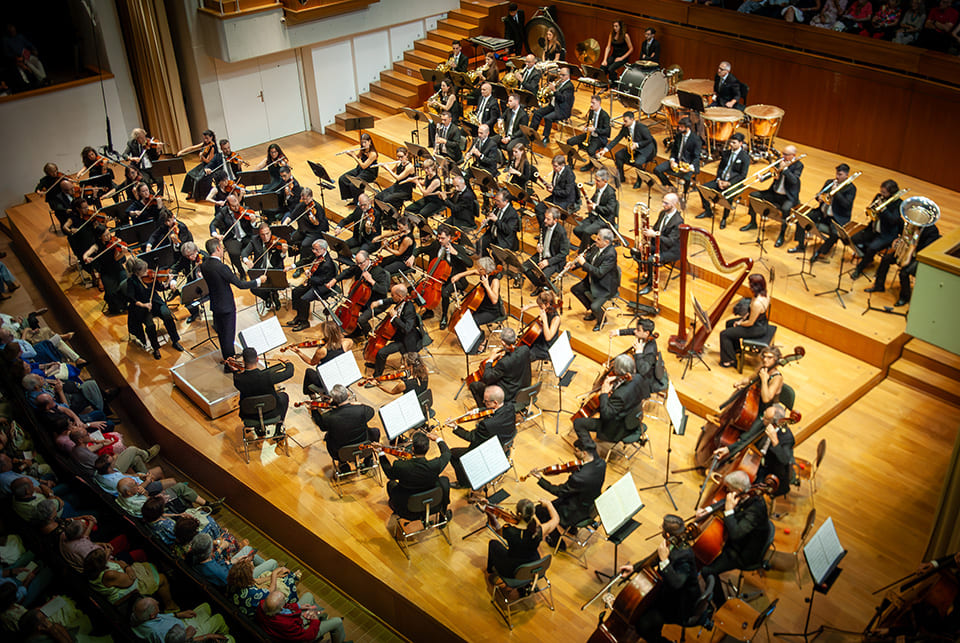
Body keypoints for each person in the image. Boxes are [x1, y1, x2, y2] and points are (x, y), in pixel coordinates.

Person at [614, 514, 701, 643]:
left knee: (643, 626)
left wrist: (664, 561)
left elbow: (676, 584)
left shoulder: (685, 556)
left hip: (680, 604)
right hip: (669, 594)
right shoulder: (674, 542)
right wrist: (634, 568)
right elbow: (655, 557)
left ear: (667, 534)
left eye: (662, 527)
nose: (660, 527)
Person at [697, 470, 771, 584]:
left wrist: (729, 511)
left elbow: (736, 534)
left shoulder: (756, 510)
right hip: (738, 538)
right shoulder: (745, 492)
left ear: (739, 491)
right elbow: (727, 499)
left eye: (729, 489)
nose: (727, 491)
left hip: (742, 552)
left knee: (708, 571)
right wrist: (708, 510)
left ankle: (719, 601)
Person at [200, 239, 266, 365]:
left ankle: (227, 358)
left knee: (222, 335)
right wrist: (258, 281)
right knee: (228, 337)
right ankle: (231, 363)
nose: (223, 250)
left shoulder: (204, 265)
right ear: (218, 249)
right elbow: (240, 284)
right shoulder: (222, 267)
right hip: (226, 307)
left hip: (215, 305)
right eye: (222, 248)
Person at [532, 438, 606, 548]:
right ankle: (572, 529)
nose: (573, 452)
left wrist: (540, 479)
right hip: (591, 504)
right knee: (558, 502)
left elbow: (559, 491)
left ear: (584, 453)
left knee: (540, 510)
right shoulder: (601, 463)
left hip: (576, 511)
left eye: (576, 450)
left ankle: (557, 542)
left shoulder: (579, 478)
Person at [450, 385, 517, 488]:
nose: (484, 403)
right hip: (504, 447)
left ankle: (464, 484)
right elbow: (492, 411)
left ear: (495, 403)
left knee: (452, 454)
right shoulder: (510, 407)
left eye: (486, 401)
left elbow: (471, 436)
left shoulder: (487, 425)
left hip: (490, 452)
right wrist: (478, 410)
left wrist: (455, 427)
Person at [573, 354, 646, 444]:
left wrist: (604, 393)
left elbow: (606, 415)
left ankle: (589, 451)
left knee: (578, 423)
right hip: (633, 420)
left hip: (616, 430)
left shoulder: (620, 395)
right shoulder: (639, 378)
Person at [865, 222, 941, 307]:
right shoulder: (911, 224)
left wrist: (912, 246)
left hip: (918, 257)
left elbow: (927, 249)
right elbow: (904, 237)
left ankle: (905, 297)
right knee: (886, 259)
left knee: (904, 273)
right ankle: (879, 285)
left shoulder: (932, 230)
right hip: (907, 252)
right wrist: (898, 242)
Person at [486, 498, 559, 580]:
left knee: (493, 543)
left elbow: (497, 528)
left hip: (513, 570)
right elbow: (556, 519)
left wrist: (490, 514)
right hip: (533, 565)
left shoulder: (510, 531)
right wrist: (549, 504)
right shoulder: (539, 531)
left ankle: (490, 570)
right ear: (533, 513)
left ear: (519, 514)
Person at [381, 430, 450, 516]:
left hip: (408, 511)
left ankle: (397, 508)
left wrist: (381, 453)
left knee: (391, 484)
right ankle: (443, 514)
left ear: (413, 448)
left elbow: (389, 474)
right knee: (444, 480)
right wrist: (437, 439)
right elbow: (447, 453)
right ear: (428, 448)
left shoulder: (400, 466)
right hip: (433, 505)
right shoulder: (435, 465)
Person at [125, 258, 184, 359]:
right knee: (150, 325)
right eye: (144, 270)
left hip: (156, 302)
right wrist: (144, 305)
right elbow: (132, 299)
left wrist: (168, 282)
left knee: (167, 315)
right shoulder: (131, 282)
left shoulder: (150, 277)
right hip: (143, 308)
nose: (147, 271)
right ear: (137, 273)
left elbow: (160, 288)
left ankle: (175, 340)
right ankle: (155, 348)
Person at [313, 384, 379, 472]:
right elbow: (371, 411)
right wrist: (359, 404)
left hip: (342, 453)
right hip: (364, 448)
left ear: (334, 400)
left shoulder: (328, 417)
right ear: (348, 395)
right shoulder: (361, 410)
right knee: (375, 432)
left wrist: (314, 410)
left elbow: (322, 426)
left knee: (328, 437)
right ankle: (368, 459)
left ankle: (343, 463)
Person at [743, 145, 803, 236]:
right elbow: (772, 171)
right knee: (753, 195)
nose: (783, 156)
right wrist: (762, 177)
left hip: (788, 196)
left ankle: (782, 234)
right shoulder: (780, 160)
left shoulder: (798, 165)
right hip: (774, 193)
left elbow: (794, 180)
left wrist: (785, 169)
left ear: (793, 155)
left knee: (785, 209)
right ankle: (753, 223)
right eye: (783, 153)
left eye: (786, 154)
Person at [233, 347, 294, 437]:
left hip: (249, 415)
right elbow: (289, 373)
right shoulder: (267, 376)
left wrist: (235, 368)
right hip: (272, 412)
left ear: (243, 361)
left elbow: (245, 376)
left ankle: (258, 427)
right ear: (257, 359)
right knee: (284, 396)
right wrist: (288, 362)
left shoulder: (238, 379)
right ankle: (278, 429)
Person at [365, 284, 423, 377]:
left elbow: (407, 329)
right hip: (398, 331)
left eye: (392, 295)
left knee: (381, 353)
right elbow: (390, 300)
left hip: (405, 339)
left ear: (399, 296)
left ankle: (377, 376)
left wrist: (395, 317)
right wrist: (378, 302)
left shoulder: (409, 309)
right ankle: (377, 362)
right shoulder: (401, 300)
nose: (391, 297)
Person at [850, 179, 904, 279]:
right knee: (853, 239)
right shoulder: (879, 197)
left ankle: (859, 269)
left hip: (886, 234)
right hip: (873, 229)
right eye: (881, 191)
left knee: (872, 248)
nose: (881, 194)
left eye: (884, 192)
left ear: (891, 193)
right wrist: (871, 208)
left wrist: (883, 209)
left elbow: (893, 220)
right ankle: (868, 258)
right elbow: (870, 211)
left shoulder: (898, 203)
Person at [801, 163, 857, 257]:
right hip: (823, 213)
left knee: (836, 234)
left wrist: (837, 192)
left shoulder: (851, 188)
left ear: (847, 175)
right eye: (837, 174)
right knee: (802, 218)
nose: (837, 177)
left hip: (837, 217)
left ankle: (820, 252)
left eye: (840, 175)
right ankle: (800, 245)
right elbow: (820, 194)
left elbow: (846, 205)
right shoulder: (829, 182)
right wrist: (818, 197)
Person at [330, 250, 390, 337]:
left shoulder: (379, 272)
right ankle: (355, 330)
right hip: (361, 299)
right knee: (346, 310)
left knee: (361, 319)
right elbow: (347, 272)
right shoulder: (359, 266)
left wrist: (371, 281)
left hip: (376, 302)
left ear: (368, 260)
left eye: (361, 263)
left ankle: (368, 334)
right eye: (357, 263)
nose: (359, 266)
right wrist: (335, 280)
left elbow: (383, 290)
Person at [570, 228, 620, 332]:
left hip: (605, 286)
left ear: (606, 242)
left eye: (598, 239)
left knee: (595, 306)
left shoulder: (611, 254)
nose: (595, 240)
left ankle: (602, 320)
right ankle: (593, 312)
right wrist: (575, 265)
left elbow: (599, 272)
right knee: (575, 289)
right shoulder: (596, 247)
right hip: (593, 280)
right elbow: (588, 259)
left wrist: (583, 263)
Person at [468, 327, 532, 407]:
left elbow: (487, 378)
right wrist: (506, 354)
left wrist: (490, 360)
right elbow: (515, 359)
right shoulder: (525, 349)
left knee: (474, 386)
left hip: (510, 396)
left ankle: (486, 411)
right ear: (515, 338)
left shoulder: (503, 363)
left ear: (503, 342)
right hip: (524, 391)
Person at [697, 132, 749, 228]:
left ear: (740, 143)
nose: (731, 144)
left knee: (728, 196)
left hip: (734, 184)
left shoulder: (745, 157)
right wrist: (719, 180)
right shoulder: (726, 153)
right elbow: (720, 168)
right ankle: (708, 211)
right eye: (730, 142)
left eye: (734, 143)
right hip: (721, 180)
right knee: (702, 188)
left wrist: (728, 183)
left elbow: (743, 175)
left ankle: (724, 218)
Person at [256, 589, 347, 643]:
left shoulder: (263, 604)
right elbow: (306, 637)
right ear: (280, 608)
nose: (286, 598)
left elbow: (284, 607)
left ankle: (318, 614)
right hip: (300, 633)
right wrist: (314, 621)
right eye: (284, 599)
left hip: (291, 621)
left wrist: (298, 606)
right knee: (337, 621)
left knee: (308, 596)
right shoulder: (287, 624)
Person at [719, 273, 770, 368]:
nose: (748, 285)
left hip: (756, 328)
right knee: (729, 323)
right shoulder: (765, 294)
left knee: (724, 334)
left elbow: (750, 323)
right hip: (761, 322)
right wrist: (741, 320)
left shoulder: (757, 303)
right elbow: (751, 314)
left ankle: (729, 360)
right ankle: (736, 349)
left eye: (750, 283)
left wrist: (739, 323)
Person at [428, 227, 475, 329]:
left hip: (456, 278)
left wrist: (456, 253)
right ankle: (428, 310)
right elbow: (422, 249)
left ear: (449, 238)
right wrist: (413, 255)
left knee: (444, 292)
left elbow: (470, 263)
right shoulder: (436, 244)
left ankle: (444, 316)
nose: (440, 240)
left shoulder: (458, 248)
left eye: (442, 238)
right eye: (438, 238)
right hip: (441, 276)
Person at [130, 596, 233, 643]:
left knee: (206, 607)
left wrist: (179, 614)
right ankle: (224, 635)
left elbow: (161, 617)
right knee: (218, 618)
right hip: (186, 636)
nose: (157, 602)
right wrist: (208, 636)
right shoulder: (158, 633)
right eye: (156, 604)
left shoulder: (138, 615)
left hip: (180, 626)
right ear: (152, 615)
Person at [293, 320, 354, 398]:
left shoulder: (322, 351)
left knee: (309, 372)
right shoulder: (347, 343)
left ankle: (311, 394)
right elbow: (344, 343)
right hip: (343, 378)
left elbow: (311, 362)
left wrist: (299, 352)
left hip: (329, 382)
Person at [639, 193, 683, 296]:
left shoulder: (678, 221)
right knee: (639, 250)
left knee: (651, 259)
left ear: (674, 204)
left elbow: (671, 241)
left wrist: (654, 235)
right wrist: (646, 238)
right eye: (663, 202)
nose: (663, 205)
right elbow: (656, 227)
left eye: (666, 203)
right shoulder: (663, 213)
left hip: (670, 250)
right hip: (660, 244)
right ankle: (646, 275)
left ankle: (650, 285)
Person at [288, 239, 336, 332]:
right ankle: (299, 316)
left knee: (304, 299)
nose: (313, 251)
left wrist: (309, 276)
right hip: (314, 281)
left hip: (323, 286)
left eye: (316, 250)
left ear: (324, 250)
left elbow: (323, 280)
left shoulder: (327, 264)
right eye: (313, 249)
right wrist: (294, 266)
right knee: (296, 291)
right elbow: (306, 260)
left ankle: (304, 322)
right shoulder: (317, 256)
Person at [610, 318, 669, 394]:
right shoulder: (644, 335)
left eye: (638, 330)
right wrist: (617, 332)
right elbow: (633, 331)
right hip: (640, 361)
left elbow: (643, 371)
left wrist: (639, 352)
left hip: (645, 376)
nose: (635, 331)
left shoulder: (650, 352)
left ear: (647, 333)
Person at [444, 256, 501, 330]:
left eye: (480, 269)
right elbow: (473, 271)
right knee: (465, 317)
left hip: (491, 311)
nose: (478, 270)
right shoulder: (484, 274)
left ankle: (482, 340)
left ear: (486, 270)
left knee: (472, 321)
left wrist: (487, 286)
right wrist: (458, 276)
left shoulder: (495, 281)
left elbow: (494, 300)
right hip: (481, 305)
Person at [82, 225, 128, 316]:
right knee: (111, 293)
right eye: (105, 235)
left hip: (117, 268)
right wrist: (86, 258)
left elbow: (116, 258)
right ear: (100, 237)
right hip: (106, 271)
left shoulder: (114, 242)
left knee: (126, 285)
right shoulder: (96, 246)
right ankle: (115, 306)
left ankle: (125, 304)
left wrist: (123, 252)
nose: (108, 237)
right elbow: (86, 254)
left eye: (108, 234)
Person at [602, 111, 656, 186]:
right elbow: (617, 139)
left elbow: (649, 140)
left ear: (632, 119)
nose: (624, 123)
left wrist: (637, 145)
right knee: (618, 155)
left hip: (645, 149)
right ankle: (621, 176)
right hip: (633, 149)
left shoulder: (641, 127)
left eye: (626, 121)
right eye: (623, 121)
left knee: (638, 163)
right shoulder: (625, 127)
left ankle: (639, 180)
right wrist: (605, 150)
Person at [523, 208, 570, 294]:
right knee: (524, 267)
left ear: (555, 220)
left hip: (554, 260)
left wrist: (548, 262)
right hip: (542, 255)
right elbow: (541, 239)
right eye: (545, 218)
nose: (545, 220)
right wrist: (538, 245)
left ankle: (542, 286)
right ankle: (540, 285)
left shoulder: (561, 232)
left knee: (543, 275)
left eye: (548, 219)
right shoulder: (545, 226)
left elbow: (564, 252)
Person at [209, 193, 256, 278]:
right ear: (228, 205)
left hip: (246, 236)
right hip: (231, 238)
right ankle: (241, 272)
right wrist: (216, 235)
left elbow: (253, 228)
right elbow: (213, 224)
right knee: (234, 253)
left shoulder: (245, 210)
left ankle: (256, 269)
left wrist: (253, 222)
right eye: (234, 206)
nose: (237, 208)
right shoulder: (223, 212)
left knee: (257, 245)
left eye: (238, 204)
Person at [284, 187, 329, 272]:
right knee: (292, 238)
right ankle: (297, 253)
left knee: (304, 245)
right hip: (303, 230)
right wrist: (285, 223)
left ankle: (300, 267)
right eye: (302, 198)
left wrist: (314, 221)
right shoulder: (302, 205)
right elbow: (292, 215)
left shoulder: (317, 208)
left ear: (310, 197)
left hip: (314, 232)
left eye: (305, 199)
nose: (304, 201)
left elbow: (319, 224)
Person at [573, 168, 618, 250]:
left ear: (605, 181)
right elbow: (593, 201)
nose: (595, 182)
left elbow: (609, 210)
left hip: (604, 219)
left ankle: (582, 252)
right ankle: (593, 246)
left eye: (598, 180)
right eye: (595, 180)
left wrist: (595, 207)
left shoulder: (611, 193)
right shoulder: (598, 188)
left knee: (586, 232)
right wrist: (590, 204)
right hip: (594, 217)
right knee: (577, 230)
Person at [654, 117, 701, 194]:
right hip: (677, 161)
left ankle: (684, 194)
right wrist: (672, 161)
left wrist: (689, 168)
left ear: (688, 128)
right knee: (657, 169)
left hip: (688, 165)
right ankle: (671, 186)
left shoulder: (696, 139)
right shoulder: (678, 136)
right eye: (679, 126)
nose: (679, 128)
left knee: (686, 178)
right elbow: (673, 151)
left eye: (681, 127)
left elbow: (696, 157)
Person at [530, 66, 574, 145]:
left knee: (548, 118)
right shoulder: (560, 83)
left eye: (563, 75)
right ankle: (532, 133)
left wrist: (554, 90)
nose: (561, 77)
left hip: (562, 110)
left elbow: (562, 98)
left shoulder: (569, 86)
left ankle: (546, 138)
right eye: (560, 75)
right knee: (537, 113)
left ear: (568, 76)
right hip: (553, 106)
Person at [567, 94, 610, 168]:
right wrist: (586, 127)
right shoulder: (591, 112)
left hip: (599, 138)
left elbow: (607, 131)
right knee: (570, 141)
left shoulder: (605, 115)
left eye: (593, 103)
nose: (591, 104)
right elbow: (589, 123)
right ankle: (570, 163)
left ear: (599, 103)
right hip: (589, 135)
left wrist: (595, 130)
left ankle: (591, 164)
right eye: (591, 102)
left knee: (590, 150)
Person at [534, 155, 577, 226]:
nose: (554, 168)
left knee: (551, 214)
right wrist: (551, 185)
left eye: (556, 166)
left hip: (565, 200)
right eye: (553, 166)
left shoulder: (569, 174)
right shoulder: (556, 170)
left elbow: (566, 192)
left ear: (563, 165)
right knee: (538, 208)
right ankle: (544, 229)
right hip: (556, 195)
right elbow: (556, 183)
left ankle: (552, 232)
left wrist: (553, 191)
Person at [177, 129, 219, 201]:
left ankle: (197, 196)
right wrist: (181, 151)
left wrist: (202, 157)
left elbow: (209, 161)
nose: (205, 140)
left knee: (198, 179)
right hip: (203, 164)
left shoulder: (213, 148)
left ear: (211, 137)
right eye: (204, 138)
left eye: (207, 138)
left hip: (210, 166)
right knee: (189, 174)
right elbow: (193, 148)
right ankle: (189, 192)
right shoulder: (205, 144)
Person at [338, 132, 378, 204]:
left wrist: (354, 156)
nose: (363, 145)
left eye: (365, 142)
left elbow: (364, 166)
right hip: (360, 169)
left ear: (370, 141)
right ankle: (352, 197)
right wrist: (350, 154)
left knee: (354, 184)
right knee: (343, 178)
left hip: (369, 172)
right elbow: (358, 157)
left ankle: (358, 202)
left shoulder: (373, 154)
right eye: (362, 143)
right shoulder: (363, 149)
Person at [478, 189, 520, 257]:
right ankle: (489, 264)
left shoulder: (513, 214)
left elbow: (508, 230)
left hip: (504, 238)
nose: (496, 202)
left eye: (498, 201)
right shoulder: (497, 206)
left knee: (496, 253)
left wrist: (496, 220)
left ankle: (499, 266)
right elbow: (493, 221)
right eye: (495, 200)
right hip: (493, 235)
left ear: (506, 201)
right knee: (479, 244)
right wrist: (487, 222)